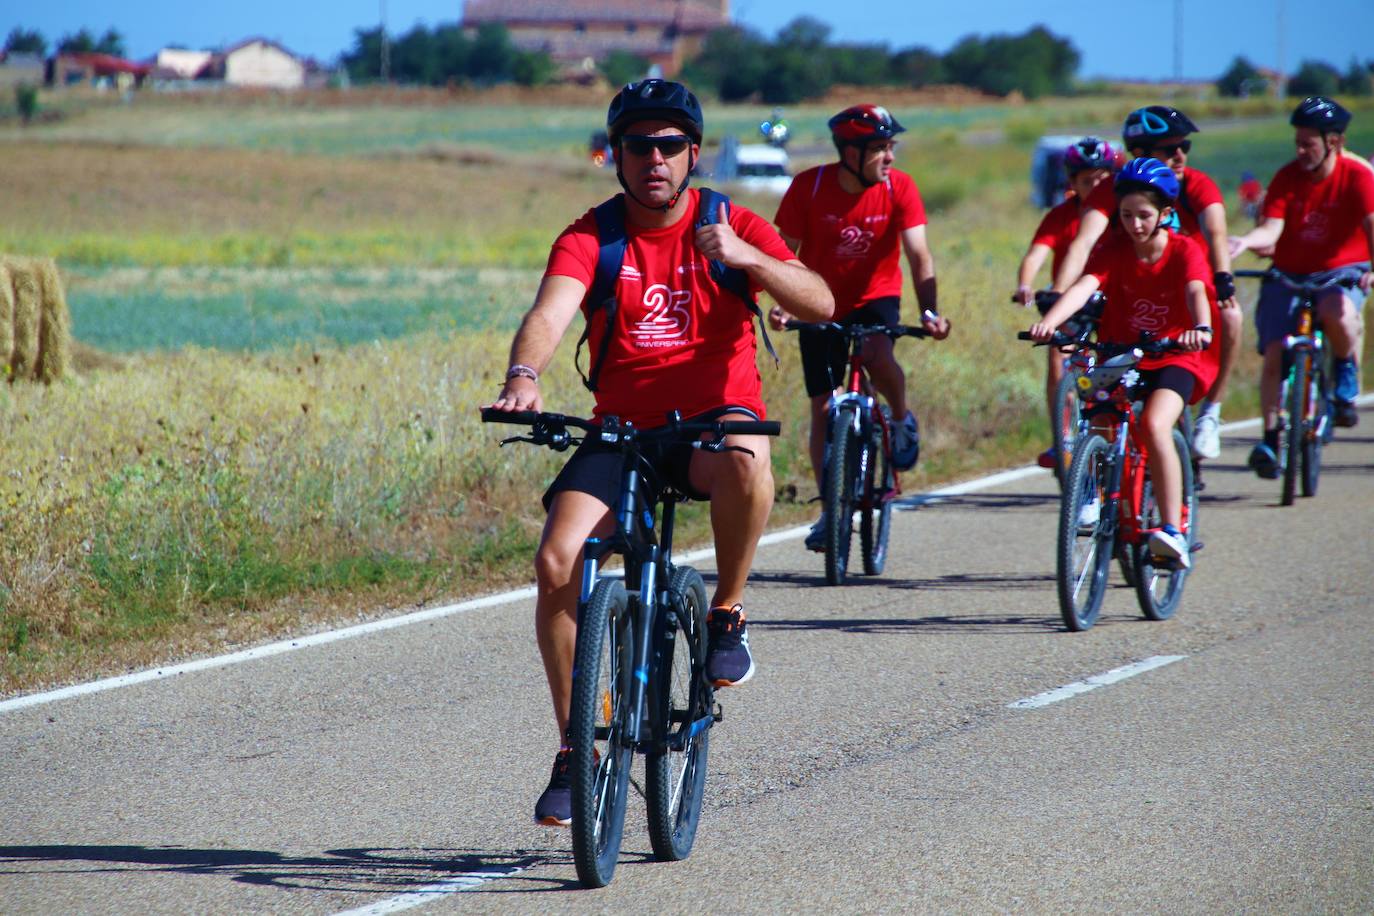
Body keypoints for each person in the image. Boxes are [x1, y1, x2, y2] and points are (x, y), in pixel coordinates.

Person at [487, 79, 834, 826]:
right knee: (556, 560)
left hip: (712, 425)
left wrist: (751, 258)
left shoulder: (731, 221)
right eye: (638, 144)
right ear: (614, 154)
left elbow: (820, 302)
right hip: (625, 432)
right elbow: (548, 312)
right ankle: (577, 749)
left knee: (748, 458)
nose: (654, 158)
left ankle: (728, 611)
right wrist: (523, 376)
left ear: (693, 154)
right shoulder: (593, 235)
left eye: (669, 145)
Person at [767, 103, 951, 552]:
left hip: (876, 298)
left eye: (891, 147)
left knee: (876, 354)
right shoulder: (807, 188)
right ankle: (831, 511)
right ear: (850, 153)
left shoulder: (900, 188)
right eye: (879, 149)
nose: (889, 158)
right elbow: (781, 256)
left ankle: (902, 419)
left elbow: (919, 256)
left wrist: (929, 311)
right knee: (823, 409)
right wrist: (784, 305)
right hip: (818, 302)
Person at [1030, 158, 1216, 565]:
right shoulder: (1114, 249)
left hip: (1174, 356)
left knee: (1152, 424)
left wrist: (1200, 327)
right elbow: (1084, 285)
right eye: (1127, 215)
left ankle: (1172, 530)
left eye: (1144, 216)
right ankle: (1097, 495)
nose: (1135, 225)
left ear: (1166, 215)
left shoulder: (1184, 250)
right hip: (1121, 353)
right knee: (1098, 416)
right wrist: (1049, 323)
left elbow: (1196, 291)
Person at [1052, 106, 1238, 463]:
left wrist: (1224, 277)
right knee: (1089, 354)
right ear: (1139, 153)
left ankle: (1211, 414)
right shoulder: (1116, 188)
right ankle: (1097, 467)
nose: (1180, 155)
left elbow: (1215, 232)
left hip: (1190, 283)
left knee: (1231, 318)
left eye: (1183, 146)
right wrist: (1058, 298)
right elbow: (1083, 243)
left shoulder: (1195, 184)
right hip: (1130, 281)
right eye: (1169, 149)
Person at [1230, 95, 1374, 473]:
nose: (1300, 149)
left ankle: (1344, 368)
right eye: (1297, 140)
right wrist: (1245, 242)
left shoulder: (1357, 177)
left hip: (1341, 272)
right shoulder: (1286, 177)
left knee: (1338, 311)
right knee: (1276, 351)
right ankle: (1271, 438)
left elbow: (1372, 224)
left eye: (1308, 142)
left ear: (1334, 142)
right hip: (1291, 272)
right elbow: (1272, 227)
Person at [1013, 136, 1118, 468]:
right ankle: (1062, 437)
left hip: (1115, 300)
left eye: (1104, 178)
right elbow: (1035, 255)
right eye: (1089, 181)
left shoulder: (1124, 214)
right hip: (1072, 300)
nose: (1098, 186)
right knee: (1058, 360)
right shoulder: (1060, 216)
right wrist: (1026, 285)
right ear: (1072, 183)